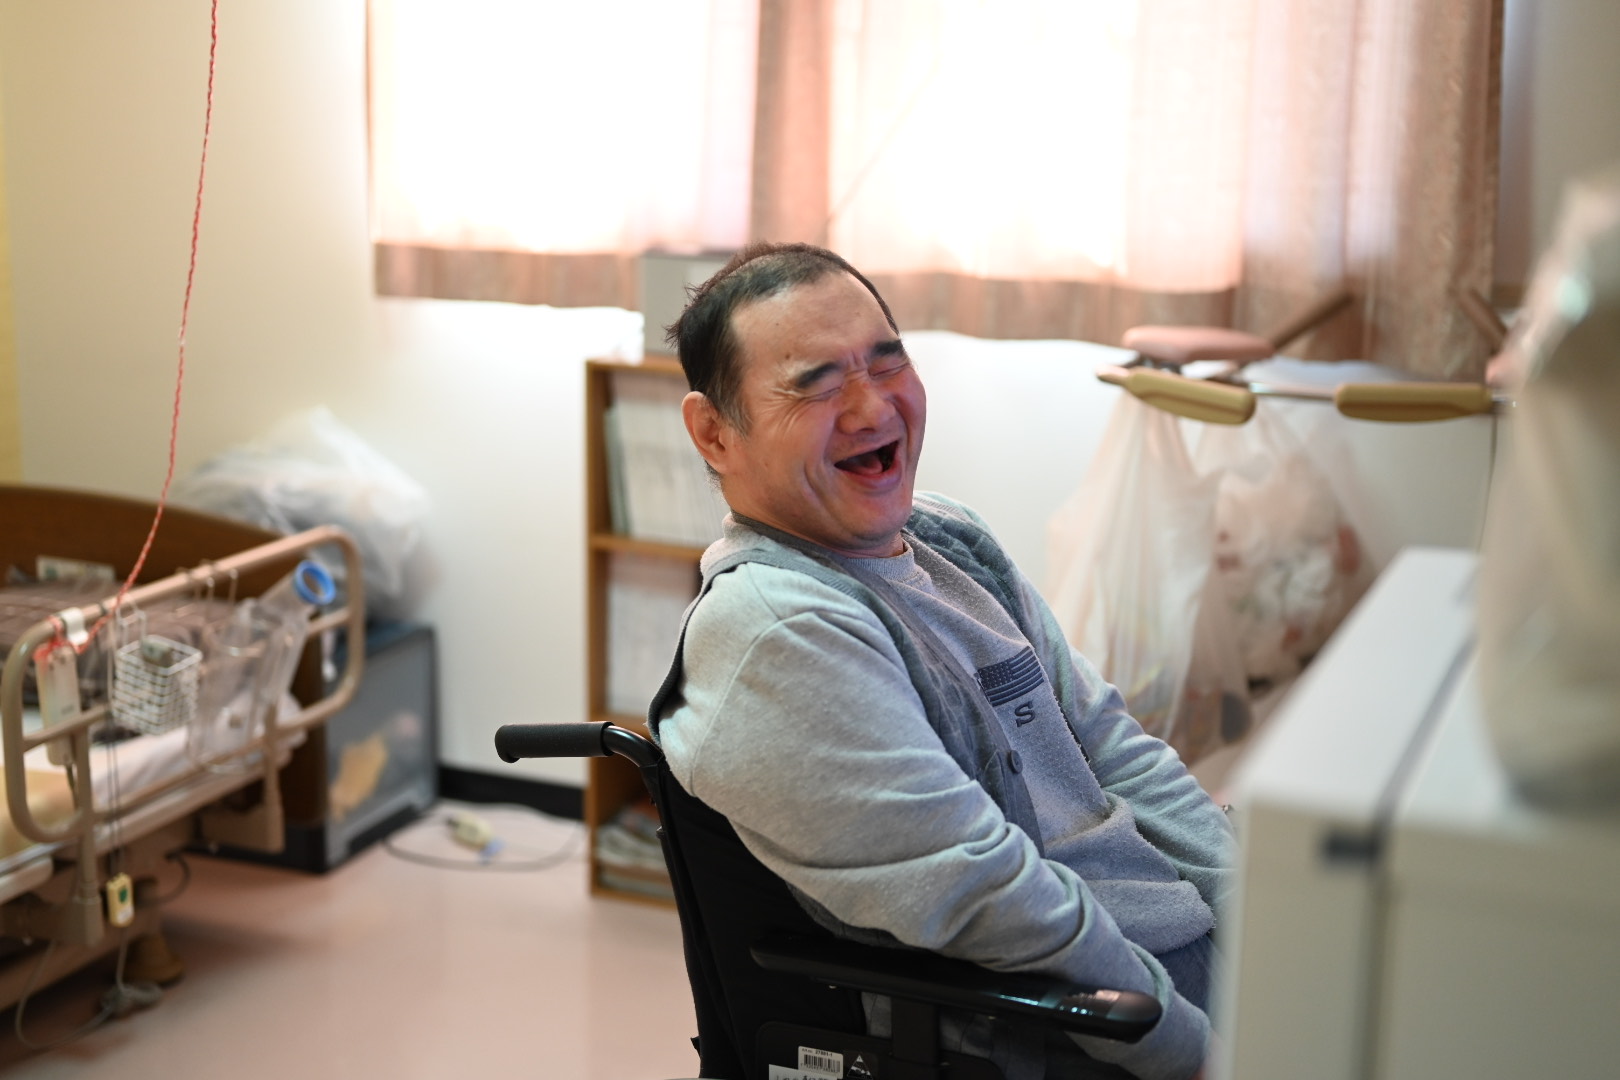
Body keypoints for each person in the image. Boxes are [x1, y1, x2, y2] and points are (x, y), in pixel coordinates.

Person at [651, 241, 1233, 1080]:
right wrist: (1198, 1053)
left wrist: (1261, 914)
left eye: (888, 363)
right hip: (1076, 1030)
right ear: (714, 432)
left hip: (1183, 953)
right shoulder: (778, 629)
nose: (871, 407)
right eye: (816, 383)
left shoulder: (948, 537)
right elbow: (993, 897)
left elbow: (1110, 744)